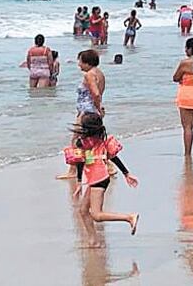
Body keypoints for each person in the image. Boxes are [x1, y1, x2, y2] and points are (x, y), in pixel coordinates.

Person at [65, 114, 139, 245]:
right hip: (99, 177)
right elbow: (113, 157)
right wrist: (126, 173)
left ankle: (129, 217)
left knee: (97, 215)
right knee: (83, 210)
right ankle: (93, 240)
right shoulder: (102, 140)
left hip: (99, 178)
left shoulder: (82, 142)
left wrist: (79, 182)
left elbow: (80, 162)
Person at [57, 49, 106, 179]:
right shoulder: (99, 73)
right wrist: (99, 109)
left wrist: (96, 106)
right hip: (94, 111)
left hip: (86, 111)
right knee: (96, 141)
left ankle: (72, 170)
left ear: (87, 62)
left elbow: (95, 93)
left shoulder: (89, 75)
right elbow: (99, 93)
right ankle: (108, 166)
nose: (79, 64)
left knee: (76, 141)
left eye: (80, 61)